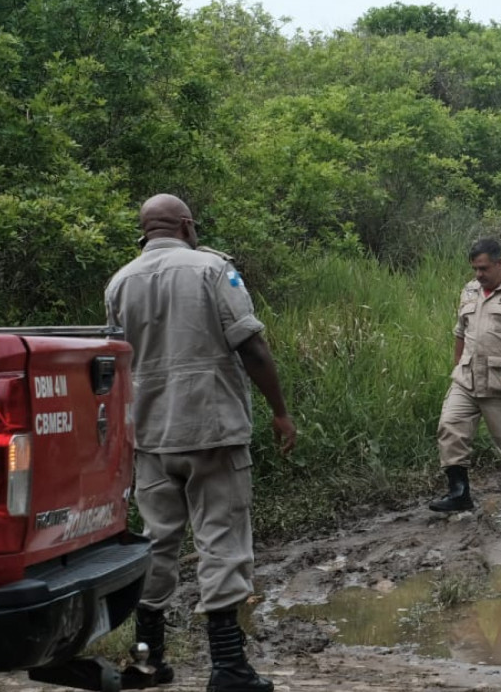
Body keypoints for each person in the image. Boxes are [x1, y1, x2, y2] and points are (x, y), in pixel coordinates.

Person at [105, 194, 296, 692]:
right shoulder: (212, 270)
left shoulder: (119, 281)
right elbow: (250, 344)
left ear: (144, 231)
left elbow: (114, 365)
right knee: (222, 544)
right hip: (212, 431)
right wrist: (279, 411)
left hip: (150, 437)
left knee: (155, 545)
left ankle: (147, 663)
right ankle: (229, 669)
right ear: (187, 226)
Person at [429, 238, 501, 516]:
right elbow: (460, 332)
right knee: (450, 427)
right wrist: (457, 367)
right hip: (467, 378)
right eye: (475, 269)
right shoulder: (469, 291)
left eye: (483, 268)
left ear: (499, 264)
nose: (479, 275)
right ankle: (459, 492)